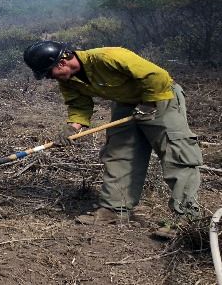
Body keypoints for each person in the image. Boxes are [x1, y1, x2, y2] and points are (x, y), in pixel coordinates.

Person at [23, 41, 202, 239]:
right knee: (119, 153)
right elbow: (78, 104)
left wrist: (149, 103)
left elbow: (157, 76)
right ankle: (115, 210)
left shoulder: (108, 57)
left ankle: (186, 218)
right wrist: (71, 128)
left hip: (159, 96)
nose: (50, 79)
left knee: (176, 153)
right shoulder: (68, 80)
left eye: (49, 74)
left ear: (61, 63)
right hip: (126, 103)